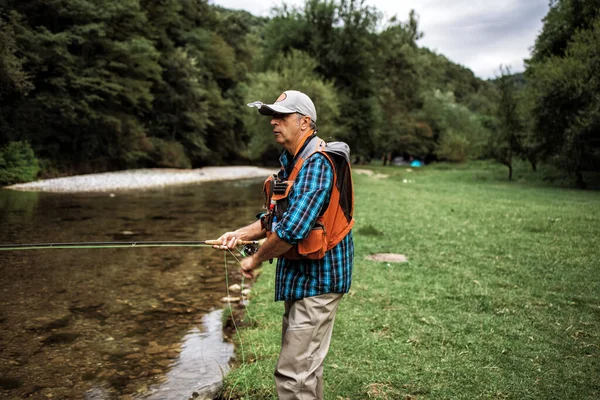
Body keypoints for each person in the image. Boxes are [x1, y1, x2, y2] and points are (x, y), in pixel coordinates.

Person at [214, 90, 355, 399]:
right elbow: (273, 219)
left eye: (281, 116)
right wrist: (238, 235)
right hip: (305, 280)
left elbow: (291, 230)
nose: (273, 123)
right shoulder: (292, 162)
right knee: (305, 368)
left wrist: (253, 260)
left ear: (305, 122)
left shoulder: (316, 163)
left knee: (292, 374)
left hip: (319, 280)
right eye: (272, 117)